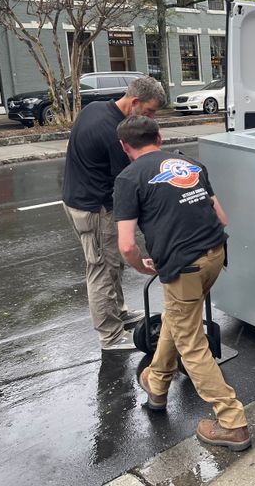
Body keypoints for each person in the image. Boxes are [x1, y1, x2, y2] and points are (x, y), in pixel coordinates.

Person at [113, 115, 251, 451]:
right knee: (179, 318)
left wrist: (142, 268)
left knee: (192, 344)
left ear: (124, 146)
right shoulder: (191, 164)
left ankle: (233, 423)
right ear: (159, 138)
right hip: (216, 255)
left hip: (183, 268)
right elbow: (221, 218)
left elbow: (127, 246)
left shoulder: (129, 178)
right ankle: (157, 385)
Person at [62, 76, 166, 351]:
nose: (152, 118)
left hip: (82, 198)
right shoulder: (116, 136)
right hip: (93, 208)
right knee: (101, 270)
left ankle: (119, 312)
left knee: (113, 261)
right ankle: (110, 336)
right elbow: (130, 186)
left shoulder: (96, 108)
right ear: (134, 102)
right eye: (149, 111)